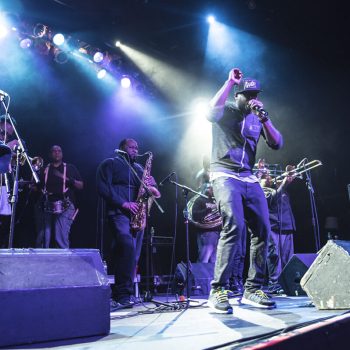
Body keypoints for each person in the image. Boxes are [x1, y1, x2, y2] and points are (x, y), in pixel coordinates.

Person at [206, 68, 283, 313]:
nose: (251, 99)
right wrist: (229, 82)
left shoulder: (257, 118)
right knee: (234, 225)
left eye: (254, 95)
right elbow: (209, 111)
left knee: (263, 229)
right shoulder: (226, 111)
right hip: (224, 173)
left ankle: (252, 289)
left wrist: (265, 118)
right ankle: (218, 289)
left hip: (248, 178)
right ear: (237, 96)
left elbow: (277, 143)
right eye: (246, 95)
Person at [96, 138, 161, 310]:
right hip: (119, 213)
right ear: (122, 148)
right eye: (131, 147)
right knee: (126, 247)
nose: (135, 150)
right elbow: (103, 188)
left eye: (137, 147)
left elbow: (153, 192)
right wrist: (123, 203)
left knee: (133, 256)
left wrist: (151, 185)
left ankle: (127, 293)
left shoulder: (139, 169)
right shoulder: (110, 163)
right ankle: (122, 294)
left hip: (137, 215)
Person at [35, 145, 83, 248]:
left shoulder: (70, 168)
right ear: (50, 154)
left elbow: (81, 185)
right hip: (46, 204)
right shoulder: (44, 169)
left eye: (59, 151)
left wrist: (68, 179)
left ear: (62, 154)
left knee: (60, 236)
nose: (57, 153)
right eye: (54, 151)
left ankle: (64, 261)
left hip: (66, 205)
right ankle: (41, 260)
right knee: (43, 237)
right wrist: (29, 184)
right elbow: (37, 187)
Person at [260, 167, 296, 294]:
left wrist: (284, 184)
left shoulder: (279, 188)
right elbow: (272, 199)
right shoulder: (262, 190)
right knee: (274, 256)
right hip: (273, 226)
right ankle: (274, 284)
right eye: (265, 177)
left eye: (269, 175)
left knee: (288, 258)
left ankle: (288, 283)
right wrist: (284, 184)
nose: (269, 177)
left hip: (287, 226)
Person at [189, 183, 221, 263]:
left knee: (214, 261)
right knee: (204, 259)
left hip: (217, 232)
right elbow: (195, 215)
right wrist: (209, 209)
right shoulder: (200, 200)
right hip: (205, 233)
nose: (212, 190)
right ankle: (199, 274)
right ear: (205, 189)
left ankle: (212, 276)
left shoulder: (215, 200)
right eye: (210, 188)